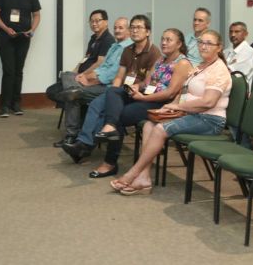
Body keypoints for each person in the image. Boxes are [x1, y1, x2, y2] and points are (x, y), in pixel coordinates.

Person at [110, 29, 232, 195]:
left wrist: (178, 107)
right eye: (201, 42)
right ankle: (144, 178)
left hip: (209, 120)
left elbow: (208, 102)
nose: (203, 46)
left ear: (219, 47)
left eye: (208, 43)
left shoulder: (219, 70)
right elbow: (183, 93)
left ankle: (133, 173)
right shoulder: (200, 66)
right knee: (149, 125)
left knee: (160, 129)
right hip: (191, 114)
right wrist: (169, 106)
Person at [69, 29, 192, 177]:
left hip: (161, 104)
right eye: (163, 39)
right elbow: (147, 82)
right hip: (145, 95)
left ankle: (109, 163)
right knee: (113, 91)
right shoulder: (161, 59)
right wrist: (136, 87)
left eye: (169, 40)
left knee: (118, 114)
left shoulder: (182, 63)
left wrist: (143, 98)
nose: (164, 42)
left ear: (179, 44)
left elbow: (170, 93)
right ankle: (109, 127)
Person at [60, 15, 160, 165]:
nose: (134, 31)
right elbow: (119, 77)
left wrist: (132, 90)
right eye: (132, 27)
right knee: (96, 104)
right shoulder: (127, 50)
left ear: (148, 32)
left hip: (140, 94)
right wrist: (112, 93)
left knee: (107, 111)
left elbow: (149, 82)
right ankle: (82, 143)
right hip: (122, 90)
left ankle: (84, 146)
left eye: (139, 27)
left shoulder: (154, 52)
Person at [58, 18, 131, 151]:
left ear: (128, 30)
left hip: (110, 87)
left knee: (73, 95)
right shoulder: (114, 46)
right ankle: (79, 141)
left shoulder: (127, 48)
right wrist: (85, 77)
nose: (117, 30)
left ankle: (73, 136)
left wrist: (89, 79)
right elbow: (102, 67)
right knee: (67, 76)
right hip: (100, 83)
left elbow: (112, 74)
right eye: (115, 28)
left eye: (121, 28)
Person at [46, 10, 115, 146]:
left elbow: (99, 63)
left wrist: (83, 75)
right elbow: (85, 59)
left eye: (97, 20)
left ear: (106, 22)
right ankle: (71, 88)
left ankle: (72, 134)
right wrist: (73, 73)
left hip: (92, 81)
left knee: (72, 95)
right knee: (56, 88)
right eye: (92, 21)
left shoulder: (108, 40)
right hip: (81, 78)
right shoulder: (93, 38)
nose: (94, 24)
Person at [0, 0, 41, 117]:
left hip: (23, 37)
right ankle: (4, 106)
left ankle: (16, 104)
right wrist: (6, 29)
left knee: (19, 70)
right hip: (6, 37)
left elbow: (37, 15)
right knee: (8, 71)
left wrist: (32, 29)